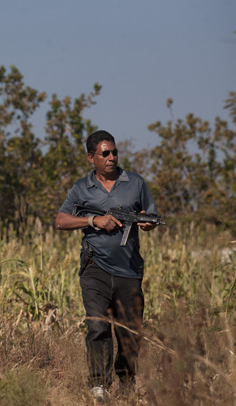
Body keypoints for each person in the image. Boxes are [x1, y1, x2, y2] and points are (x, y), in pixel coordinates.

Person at [55, 130, 159, 402]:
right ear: (92, 157)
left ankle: (126, 383)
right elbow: (61, 220)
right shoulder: (81, 188)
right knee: (98, 327)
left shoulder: (135, 183)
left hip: (129, 270)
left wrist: (146, 223)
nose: (111, 157)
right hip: (95, 269)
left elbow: (150, 216)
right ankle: (99, 386)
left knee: (130, 330)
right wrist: (93, 221)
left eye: (114, 152)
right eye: (105, 153)